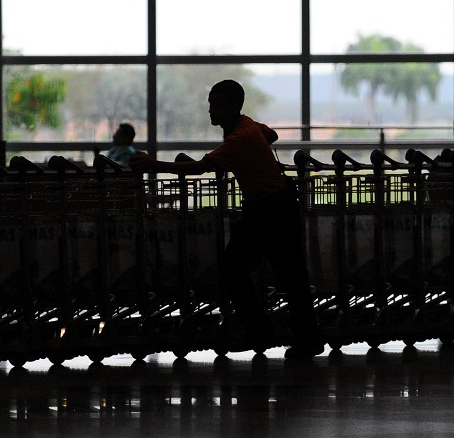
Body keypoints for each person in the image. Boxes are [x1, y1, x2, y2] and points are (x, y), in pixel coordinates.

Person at [130, 79, 323, 359]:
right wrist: (259, 158)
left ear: (234, 106)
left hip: (270, 210)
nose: (211, 111)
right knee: (288, 275)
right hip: (273, 205)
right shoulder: (247, 127)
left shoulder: (241, 137)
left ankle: (264, 333)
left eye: (217, 106)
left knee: (239, 270)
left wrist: (151, 165)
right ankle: (297, 338)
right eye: (210, 105)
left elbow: (198, 169)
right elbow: (271, 135)